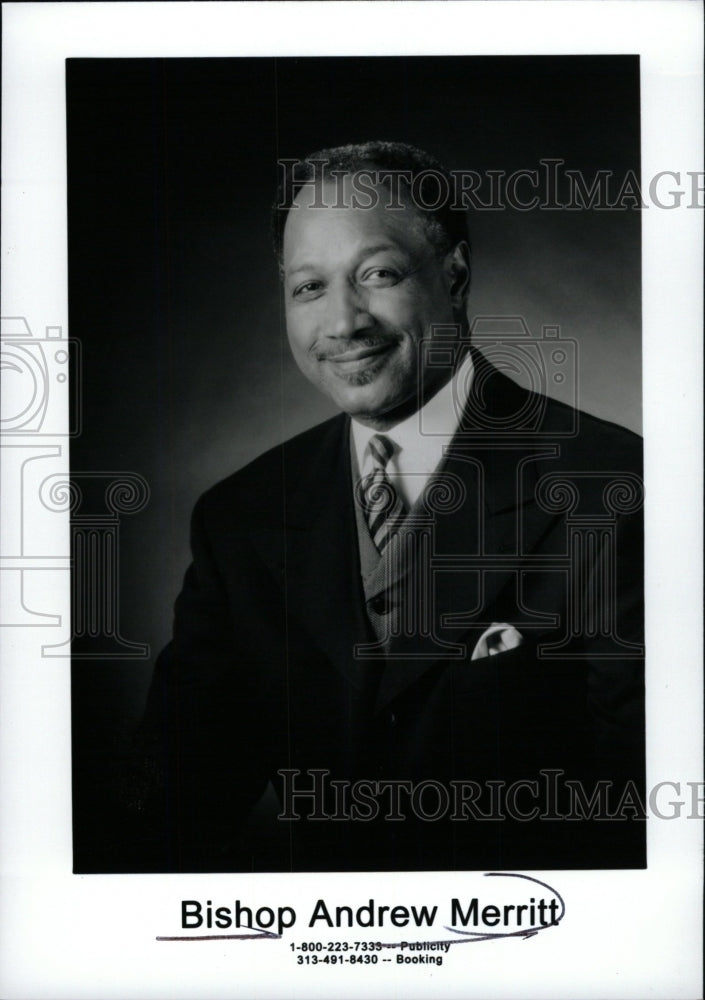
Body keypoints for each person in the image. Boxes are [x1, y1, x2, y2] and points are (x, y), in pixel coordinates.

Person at [135, 141, 645, 873]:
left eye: (376, 274)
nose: (343, 322)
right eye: (308, 288)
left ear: (455, 277)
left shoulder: (613, 484)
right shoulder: (239, 519)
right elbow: (173, 779)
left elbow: (641, 812)